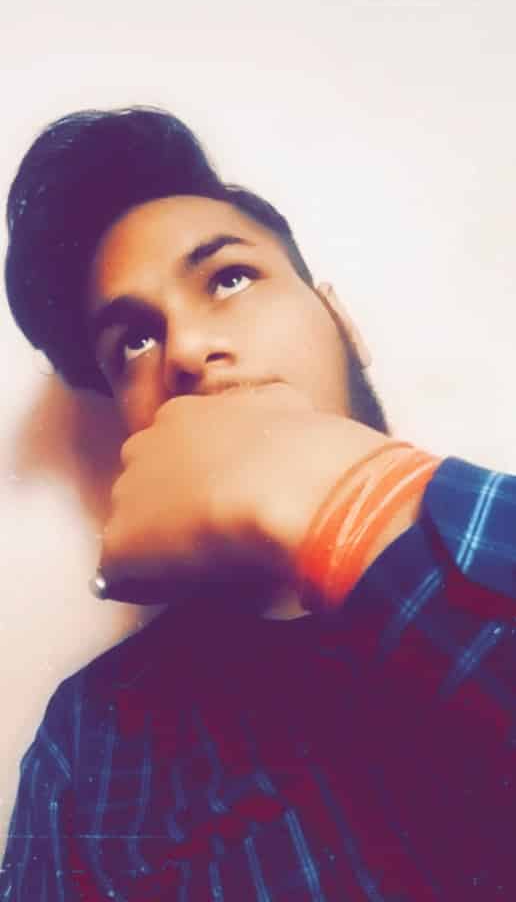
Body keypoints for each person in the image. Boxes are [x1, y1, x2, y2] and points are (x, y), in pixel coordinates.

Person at [0, 107, 514, 901]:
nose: (184, 351)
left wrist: (347, 504)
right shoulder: (90, 748)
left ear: (340, 321)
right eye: (133, 342)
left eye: (229, 279)